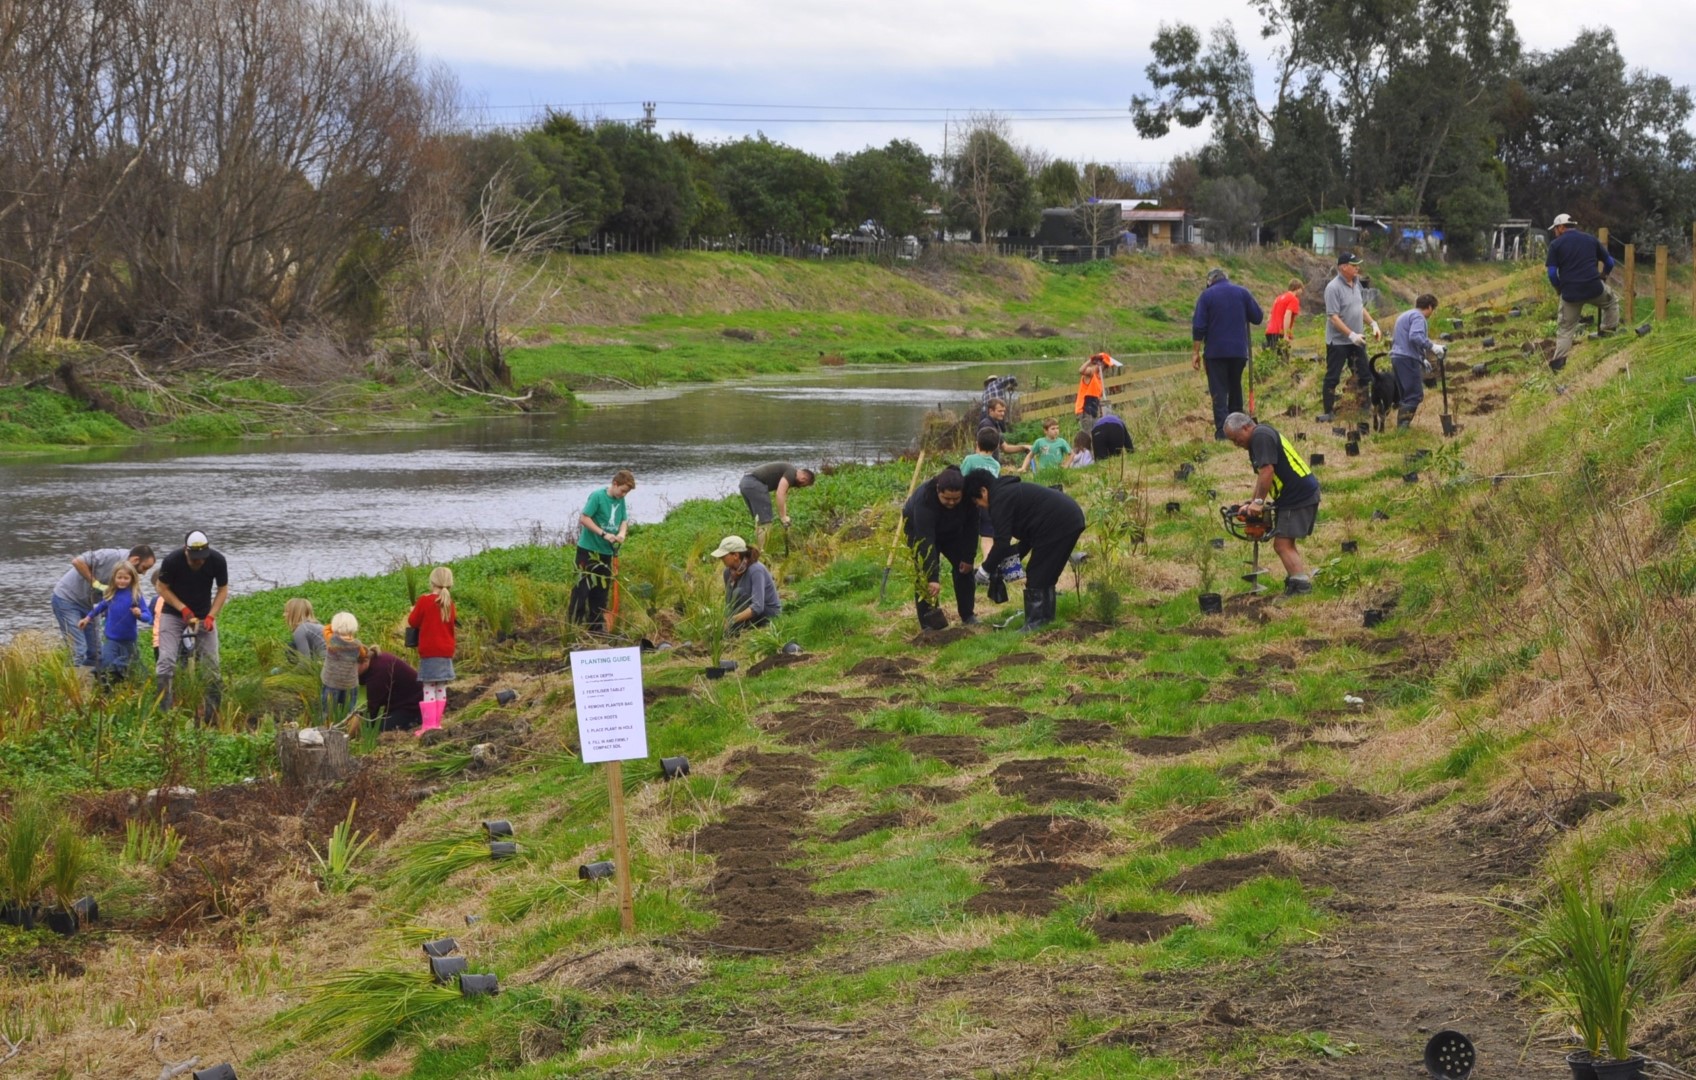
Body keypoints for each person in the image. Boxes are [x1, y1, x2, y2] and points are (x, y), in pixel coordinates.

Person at [962, 470, 1087, 634]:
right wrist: (1011, 560)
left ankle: (1035, 623)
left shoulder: (999, 499)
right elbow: (1028, 535)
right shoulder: (1008, 492)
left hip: (1059, 523)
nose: (979, 505)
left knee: (1037, 573)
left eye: (977, 501)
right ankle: (1046, 620)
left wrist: (985, 569)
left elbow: (1001, 541)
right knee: (1046, 574)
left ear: (984, 491)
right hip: (1067, 519)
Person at [1222, 412, 1320, 596]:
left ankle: (1301, 587)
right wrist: (1252, 502)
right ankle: (1297, 581)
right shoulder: (1259, 437)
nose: (1236, 444)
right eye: (1232, 441)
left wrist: (1259, 502)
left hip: (1298, 495)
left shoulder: (1261, 436)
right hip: (1292, 495)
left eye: (1236, 439)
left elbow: (1267, 470)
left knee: (1282, 544)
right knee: (1285, 542)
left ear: (1245, 427)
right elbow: (1262, 476)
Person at [154, 531, 229, 714]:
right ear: (185, 550)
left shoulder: (217, 561)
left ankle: (212, 713)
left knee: (211, 664)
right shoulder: (172, 561)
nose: (199, 562)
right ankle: (163, 710)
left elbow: (222, 589)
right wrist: (182, 608)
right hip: (173, 614)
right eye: (195, 558)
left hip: (204, 614)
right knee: (166, 660)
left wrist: (211, 615)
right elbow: (161, 587)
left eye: (202, 558)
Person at [50, 544, 155, 669]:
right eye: (144, 568)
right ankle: (72, 684)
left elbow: (115, 602)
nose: (144, 573)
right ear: (136, 560)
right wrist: (97, 584)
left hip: (89, 605)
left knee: (96, 652)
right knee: (79, 649)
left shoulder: (129, 574)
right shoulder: (110, 556)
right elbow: (77, 561)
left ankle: (93, 683)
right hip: (67, 598)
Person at [902, 465, 979, 631]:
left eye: (956, 499)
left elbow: (972, 528)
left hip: (952, 530)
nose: (951, 502)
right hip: (919, 531)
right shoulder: (925, 501)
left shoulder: (969, 498)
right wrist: (933, 577)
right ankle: (929, 625)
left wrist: (968, 557)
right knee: (924, 578)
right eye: (947, 499)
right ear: (938, 490)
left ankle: (968, 615)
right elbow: (925, 541)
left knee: (964, 569)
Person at [1192, 267, 1265, 439]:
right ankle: (1238, 429)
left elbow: (1199, 326)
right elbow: (1258, 317)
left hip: (1215, 353)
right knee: (1235, 387)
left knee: (1218, 391)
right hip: (1239, 352)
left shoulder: (1206, 296)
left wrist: (1195, 352)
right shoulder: (1242, 293)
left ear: (1210, 281)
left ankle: (1222, 431)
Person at [1546, 213, 1620, 372]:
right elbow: (1609, 262)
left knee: (1565, 329)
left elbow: (1552, 274)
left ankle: (1558, 365)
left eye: (1555, 229)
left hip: (1570, 294)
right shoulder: (1590, 239)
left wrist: (1559, 288)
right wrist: (1603, 276)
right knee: (1611, 301)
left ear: (1561, 227)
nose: (1555, 232)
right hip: (1594, 287)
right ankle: (1607, 334)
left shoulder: (1555, 245)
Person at [1320, 252, 1383, 422]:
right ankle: (1328, 412)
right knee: (1333, 376)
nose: (1357, 268)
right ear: (1343, 267)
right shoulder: (1333, 288)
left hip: (1357, 340)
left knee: (1364, 374)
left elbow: (1360, 308)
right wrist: (1350, 334)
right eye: (1354, 265)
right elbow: (1333, 317)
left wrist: (1373, 323)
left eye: (1357, 265)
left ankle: (1364, 407)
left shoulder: (1357, 284)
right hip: (1338, 342)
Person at [570, 469, 635, 630]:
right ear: (615, 484)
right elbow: (584, 518)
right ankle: (573, 626)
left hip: (607, 553)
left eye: (626, 493)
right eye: (623, 491)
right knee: (582, 589)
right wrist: (603, 533)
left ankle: (596, 628)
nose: (623, 495)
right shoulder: (597, 496)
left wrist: (621, 534)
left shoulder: (620, 500)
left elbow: (624, 520)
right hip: (588, 551)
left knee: (601, 592)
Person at [78, 562, 152, 684]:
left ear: (132, 579)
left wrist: (139, 614)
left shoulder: (136, 596)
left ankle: (129, 684)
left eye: (126, 578)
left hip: (129, 641)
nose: (122, 581)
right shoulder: (110, 594)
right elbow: (99, 608)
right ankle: (105, 684)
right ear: (114, 578)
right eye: (119, 578)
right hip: (111, 639)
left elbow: (148, 617)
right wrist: (87, 619)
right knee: (107, 663)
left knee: (133, 667)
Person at [407, 565, 457, 737]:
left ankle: (428, 726)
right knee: (441, 686)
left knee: (429, 687)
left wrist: (413, 611)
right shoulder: (449, 603)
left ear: (432, 581)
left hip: (430, 651)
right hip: (446, 651)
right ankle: (438, 724)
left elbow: (413, 622)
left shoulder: (424, 600)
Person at [1388, 294, 1446, 428]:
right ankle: (1403, 428)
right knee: (1414, 395)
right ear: (1430, 307)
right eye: (1433, 309)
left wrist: (1422, 358)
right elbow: (1415, 336)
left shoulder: (1405, 315)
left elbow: (1403, 339)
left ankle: (1401, 426)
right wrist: (1432, 346)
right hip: (1407, 359)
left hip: (1397, 358)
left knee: (1405, 395)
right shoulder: (1419, 317)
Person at [739, 462, 815, 549]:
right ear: (803, 479)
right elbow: (780, 493)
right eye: (803, 485)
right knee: (765, 522)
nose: (800, 486)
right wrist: (782, 517)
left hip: (746, 482)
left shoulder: (788, 471)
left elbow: (783, 497)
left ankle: (757, 549)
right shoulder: (791, 472)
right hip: (754, 483)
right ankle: (761, 551)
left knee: (759, 520)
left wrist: (784, 517)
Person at [712, 535, 781, 630]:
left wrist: (732, 620)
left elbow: (758, 607)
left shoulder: (756, 570)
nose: (721, 559)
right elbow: (729, 603)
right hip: (748, 610)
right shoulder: (727, 573)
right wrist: (724, 620)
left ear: (736, 555)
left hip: (768, 612)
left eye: (723, 556)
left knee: (739, 592)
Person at [357, 650, 424, 731]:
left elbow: (371, 711)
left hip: (414, 705)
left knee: (379, 729)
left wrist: (350, 734)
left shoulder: (379, 672)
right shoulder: (373, 661)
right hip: (397, 702)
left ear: (364, 661)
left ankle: (417, 721)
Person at [320, 611, 365, 723]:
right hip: (350, 683)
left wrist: (335, 626)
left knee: (328, 712)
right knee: (349, 712)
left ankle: (327, 731)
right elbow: (362, 656)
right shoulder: (357, 645)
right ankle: (348, 732)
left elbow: (325, 629)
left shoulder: (332, 640)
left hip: (331, 682)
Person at [1074, 353, 1120, 425]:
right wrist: (1091, 360)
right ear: (1099, 364)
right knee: (1088, 434)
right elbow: (1081, 370)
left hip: (1093, 410)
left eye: (1107, 366)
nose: (1106, 368)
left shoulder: (1099, 378)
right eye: (1105, 366)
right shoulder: (1091, 372)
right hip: (1084, 410)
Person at [1267, 278, 1303, 360]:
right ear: (1297, 288)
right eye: (1301, 289)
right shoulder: (1293, 299)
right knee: (1283, 361)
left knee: (1272, 360)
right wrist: (1286, 335)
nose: (1302, 292)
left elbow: (1270, 316)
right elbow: (1287, 315)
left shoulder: (1278, 298)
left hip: (1270, 331)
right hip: (1280, 333)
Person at [285, 598, 325, 662]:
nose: (284, 615)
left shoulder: (301, 629)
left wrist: (287, 672)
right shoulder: (314, 626)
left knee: (291, 648)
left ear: (294, 613)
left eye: (287, 612)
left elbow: (305, 663)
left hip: (330, 663)